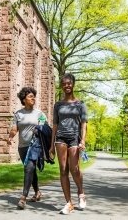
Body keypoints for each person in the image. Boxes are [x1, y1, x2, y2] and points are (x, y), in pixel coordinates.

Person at [49, 73, 88, 215]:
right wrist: (51, 144)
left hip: (74, 139)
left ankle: (81, 192)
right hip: (60, 138)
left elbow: (83, 124)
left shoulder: (80, 104)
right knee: (63, 169)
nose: (66, 85)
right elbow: (54, 125)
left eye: (69, 83)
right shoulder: (58, 104)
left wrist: (82, 140)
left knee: (74, 168)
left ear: (73, 84)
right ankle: (68, 203)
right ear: (61, 85)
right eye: (64, 83)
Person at [8, 87, 47, 210]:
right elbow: (15, 129)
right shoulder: (18, 114)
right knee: (31, 170)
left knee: (29, 168)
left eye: (34, 96)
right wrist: (10, 137)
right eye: (30, 96)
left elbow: (45, 129)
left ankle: (23, 198)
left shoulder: (39, 114)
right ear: (24, 99)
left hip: (35, 146)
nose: (33, 98)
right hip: (22, 147)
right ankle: (37, 193)